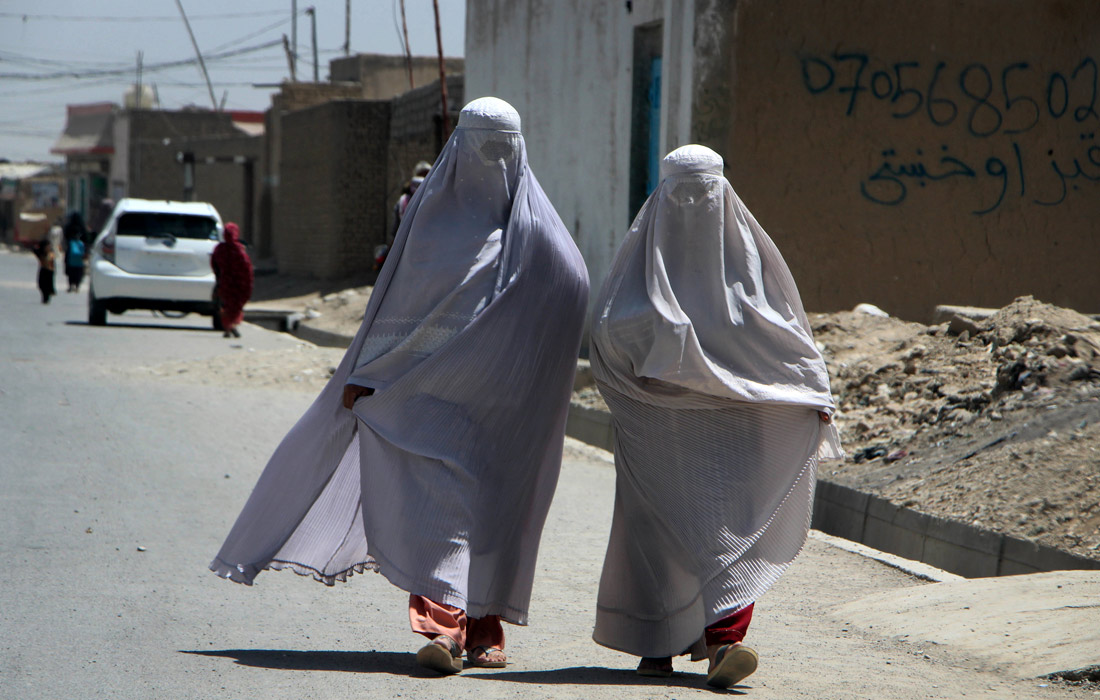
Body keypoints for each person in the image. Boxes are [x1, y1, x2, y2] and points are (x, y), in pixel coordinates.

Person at [209, 97, 589, 675]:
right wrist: (368, 376)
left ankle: (482, 629)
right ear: (458, 148)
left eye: (501, 147)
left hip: (502, 411)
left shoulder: (539, 237)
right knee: (442, 512)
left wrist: (528, 377)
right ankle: (444, 626)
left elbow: (568, 300)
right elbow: (396, 310)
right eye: (482, 146)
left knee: (489, 517)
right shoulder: (429, 226)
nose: (491, 160)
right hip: (427, 402)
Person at [588, 145, 842, 689]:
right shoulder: (640, 272)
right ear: (662, 196)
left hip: (731, 431)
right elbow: (606, 339)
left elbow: (787, 343)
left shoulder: (752, 273)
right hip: (656, 429)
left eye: (703, 192)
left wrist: (811, 393)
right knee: (655, 536)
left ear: (722, 194)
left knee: (725, 535)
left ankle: (725, 642)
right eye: (683, 192)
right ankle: (657, 645)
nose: (694, 205)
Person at [210, 222, 253, 338]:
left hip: (225, 283)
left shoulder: (219, 249)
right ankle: (231, 326)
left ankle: (229, 326)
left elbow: (214, 264)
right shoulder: (239, 250)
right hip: (238, 284)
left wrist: (219, 276)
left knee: (225, 304)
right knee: (234, 305)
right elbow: (246, 267)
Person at [62, 212, 88, 293]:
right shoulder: (82, 228)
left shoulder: (68, 227)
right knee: (78, 270)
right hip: (80, 252)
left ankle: (70, 285)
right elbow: (86, 239)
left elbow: (65, 237)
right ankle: (77, 285)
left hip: (70, 251)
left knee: (70, 269)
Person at [32, 237, 56, 304]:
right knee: (42, 285)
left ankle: (46, 299)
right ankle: (45, 298)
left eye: (49, 246)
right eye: (46, 246)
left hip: (49, 271)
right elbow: (34, 250)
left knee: (48, 287)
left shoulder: (51, 254)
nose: (48, 248)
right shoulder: (41, 253)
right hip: (43, 271)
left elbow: (52, 264)